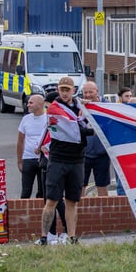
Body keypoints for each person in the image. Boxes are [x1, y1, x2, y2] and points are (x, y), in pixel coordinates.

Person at [37, 76, 90, 245]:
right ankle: (44, 236)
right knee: (52, 200)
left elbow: (86, 123)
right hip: (58, 159)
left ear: (74, 90)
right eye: (62, 90)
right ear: (58, 91)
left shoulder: (82, 106)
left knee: (72, 201)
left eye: (68, 90)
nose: (65, 93)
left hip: (77, 159)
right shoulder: (54, 108)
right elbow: (74, 128)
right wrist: (90, 129)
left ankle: (72, 237)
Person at [80, 82, 111, 196]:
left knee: (102, 185)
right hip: (83, 153)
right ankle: (80, 211)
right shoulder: (79, 105)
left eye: (90, 92)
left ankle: (104, 212)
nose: (87, 95)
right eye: (85, 92)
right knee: (80, 185)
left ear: (97, 92)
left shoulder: (107, 106)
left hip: (102, 153)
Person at [16, 93, 49, 199]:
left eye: (31, 103)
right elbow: (20, 141)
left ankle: (40, 214)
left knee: (43, 191)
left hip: (43, 159)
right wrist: (20, 161)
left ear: (40, 104)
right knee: (25, 191)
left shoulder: (48, 118)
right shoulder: (26, 119)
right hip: (28, 158)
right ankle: (23, 214)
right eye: (28, 102)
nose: (28, 105)